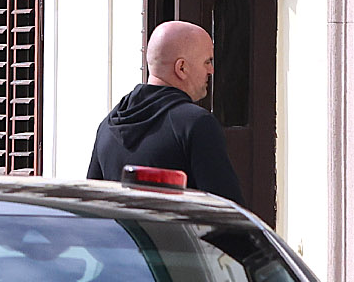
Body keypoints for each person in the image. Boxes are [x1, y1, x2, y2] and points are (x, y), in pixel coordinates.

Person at [86, 20, 242, 204]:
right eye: (207, 61)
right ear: (181, 68)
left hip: (123, 234)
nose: (211, 70)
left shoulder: (107, 127)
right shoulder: (196, 124)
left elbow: (94, 208)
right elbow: (227, 214)